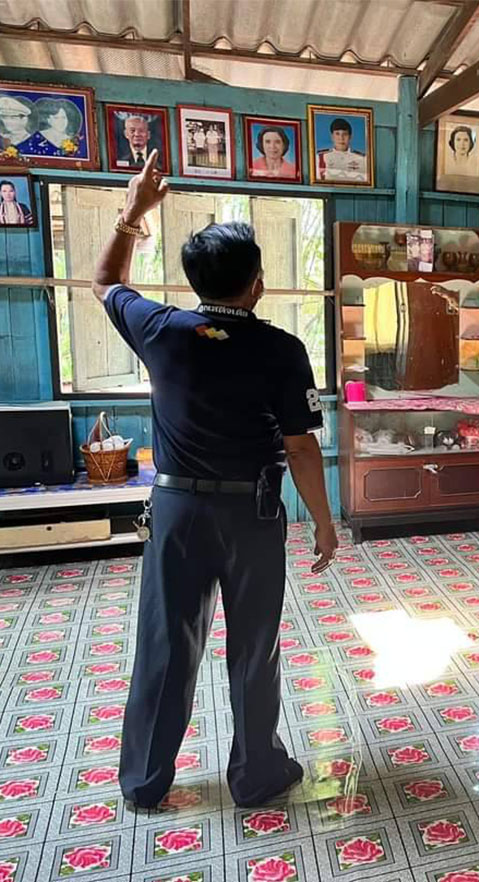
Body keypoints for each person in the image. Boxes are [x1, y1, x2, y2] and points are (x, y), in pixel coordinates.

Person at [91, 151, 338, 809]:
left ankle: (145, 782)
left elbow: (105, 279)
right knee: (254, 646)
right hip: (251, 517)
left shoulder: (159, 328)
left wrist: (133, 213)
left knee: (165, 645)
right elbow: (301, 447)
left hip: (175, 511)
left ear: (194, 280)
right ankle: (256, 774)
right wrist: (323, 522)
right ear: (256, 284)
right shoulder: (281, 349)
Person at [316, 118, 367, 182]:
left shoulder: (362, 158)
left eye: (345, 134)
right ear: (332, 136)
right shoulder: (321, 157)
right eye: (337, 134)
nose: (341, 138)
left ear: (350, 137)